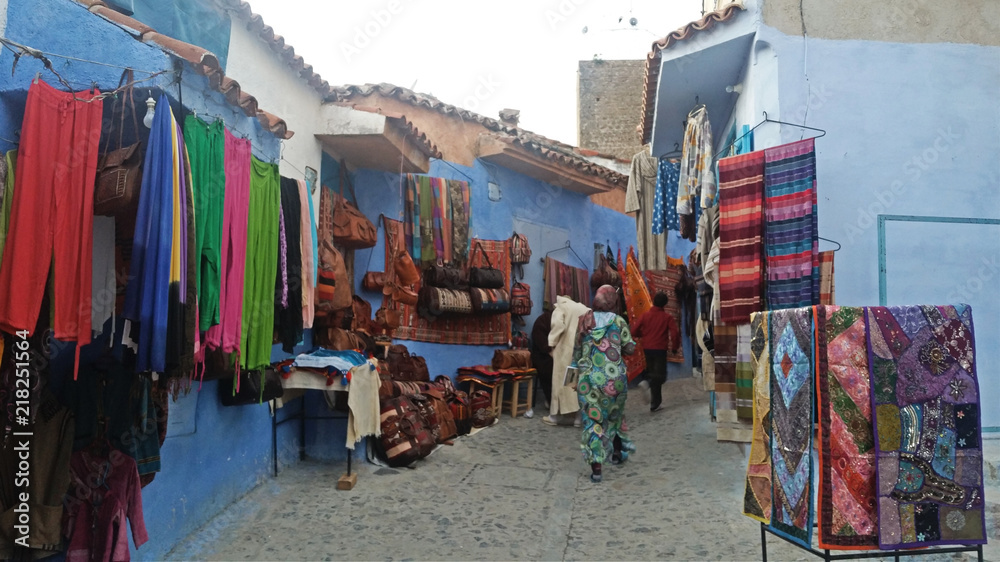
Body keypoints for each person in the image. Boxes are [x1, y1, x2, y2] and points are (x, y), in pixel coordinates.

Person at [572, 285, 637, 482]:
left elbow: (577, 349)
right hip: (614, 379)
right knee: (615, 416)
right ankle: (617, 453)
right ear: (613, 302)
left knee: (593, 420)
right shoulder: (619, 321)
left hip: (589, 380)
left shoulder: (585, 320)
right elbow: (630, 348)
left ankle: (597, 469)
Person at [542, 296, 590, 426]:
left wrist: (552, 343)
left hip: (564, 350)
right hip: (580, 350)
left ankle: (554, 416)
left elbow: (558, 326)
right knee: (575, 383)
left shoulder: (561, 306)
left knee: (559, 382)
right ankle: (578, 418)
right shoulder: (584, 308)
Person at [630, 291, 680, 412]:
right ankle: (647, 383)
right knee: (660, 376)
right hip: (660, 349)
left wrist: (643, 335)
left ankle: (655, 404)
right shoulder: (667, 317)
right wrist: (674, 347)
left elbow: (634, 330)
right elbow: (675, 334)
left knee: (654, 373)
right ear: (665, 304)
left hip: (647, 348)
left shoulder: (645, 315)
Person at [530, 307, 554, 410]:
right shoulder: (542, 321)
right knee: (550, 369)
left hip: (554, 354)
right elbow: (543, 345)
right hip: (542, 356)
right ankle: (552, 401)